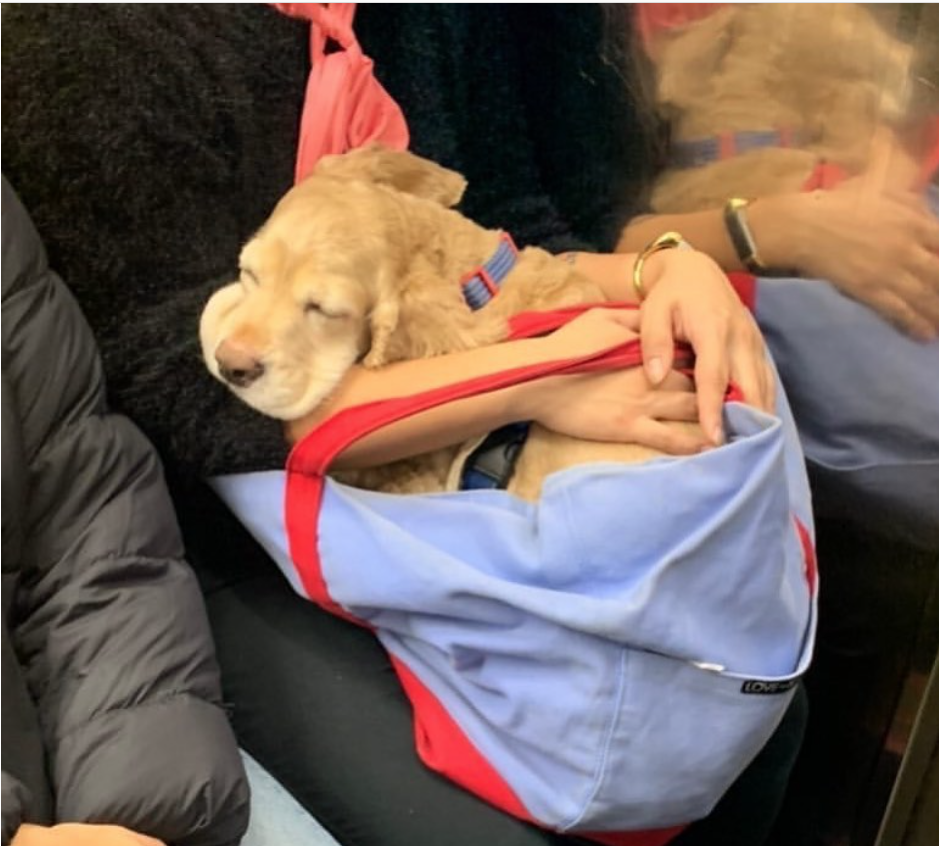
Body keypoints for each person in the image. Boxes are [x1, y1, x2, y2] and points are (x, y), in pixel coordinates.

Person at [0, 5, 806, 846]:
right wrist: (532, 385)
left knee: (753, 713)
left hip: (428, 459)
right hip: (232, 530)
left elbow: (499, 235)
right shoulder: (84, 46)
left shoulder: (405, 18)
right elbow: (192, 401)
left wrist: (667, 269)